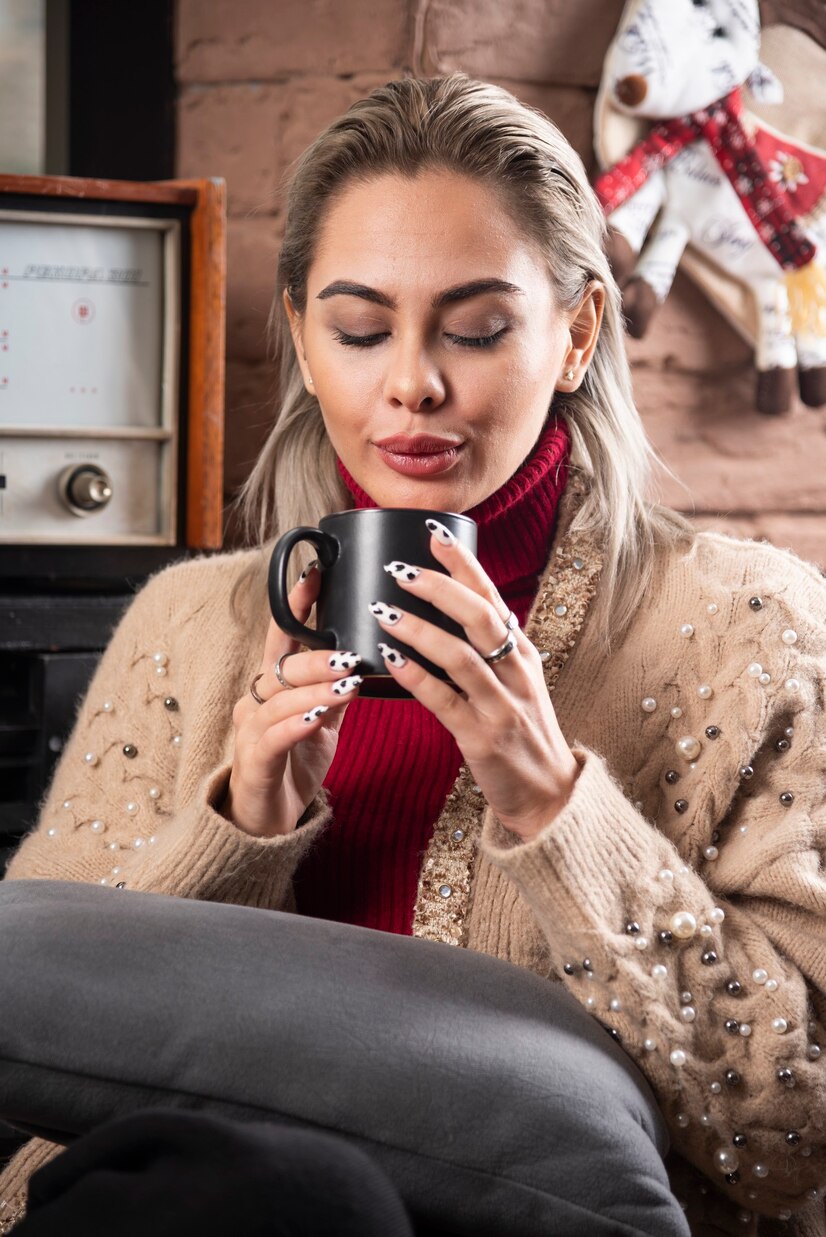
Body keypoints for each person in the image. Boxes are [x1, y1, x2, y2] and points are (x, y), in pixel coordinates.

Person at [1, 71, 825, 1237]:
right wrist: (236, 831)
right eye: (357, 327)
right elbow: (30, 1033)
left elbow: (791, 1138)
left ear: (579, 331)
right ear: (298, 331)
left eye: (477, 329)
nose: (410, 384)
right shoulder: (189, 624)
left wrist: (554, 804)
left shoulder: (757, 630)